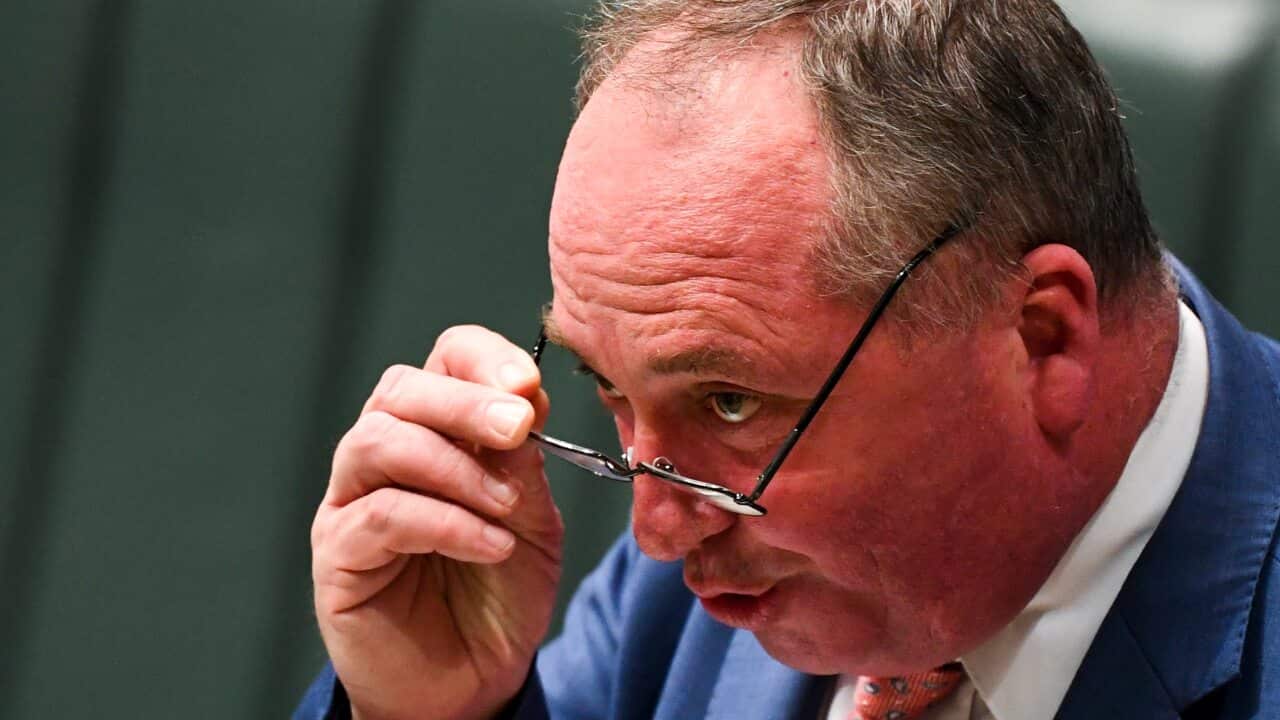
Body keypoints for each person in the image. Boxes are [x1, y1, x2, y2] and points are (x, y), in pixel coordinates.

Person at [296, 1, 1280, 718]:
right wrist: (429, 713)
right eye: (607, 392)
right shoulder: (711, 581)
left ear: (1042, 339)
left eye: (727, 402)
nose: (654, 537)